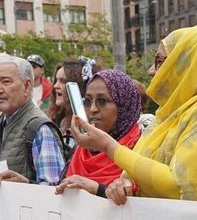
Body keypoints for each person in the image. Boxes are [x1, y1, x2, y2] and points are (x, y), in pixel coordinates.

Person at [102, 26, 197, 204]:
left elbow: (183, 186)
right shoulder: (169, 114)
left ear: (186, 64)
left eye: (159, 61)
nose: (151, 70)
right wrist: (122, 186)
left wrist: (111, 148)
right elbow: (135, 177)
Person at [0, 56, 65, 186]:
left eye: (6, 82)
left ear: (27, 85)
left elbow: (54, 191)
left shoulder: (40, 129)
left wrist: (25, 185)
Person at [56, 69, 146, 197]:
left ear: (124, 106)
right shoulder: (81, 149)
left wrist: (96, 188)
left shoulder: (141, 148)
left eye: (102, 101)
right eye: (87, 101)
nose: (92, 109)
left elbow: (143, 207)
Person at [47, 58, 92, 149]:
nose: (55, 86)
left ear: (78, 86)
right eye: (56, 81)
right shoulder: (59, 118)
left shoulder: (87, 124)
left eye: (62, 81)